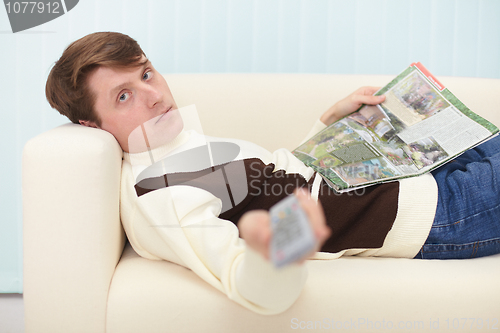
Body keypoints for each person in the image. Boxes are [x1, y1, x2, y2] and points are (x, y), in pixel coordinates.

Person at [45, 32, 500, 314]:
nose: (152, 95)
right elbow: (251, 283)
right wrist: (275, 251)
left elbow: (283, 179)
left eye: (145, 74)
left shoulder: (175, 145)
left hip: (398, 173)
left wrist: (332, 122)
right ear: (91, 124)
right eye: (122, 96)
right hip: (435, 215)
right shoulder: (160, 193)